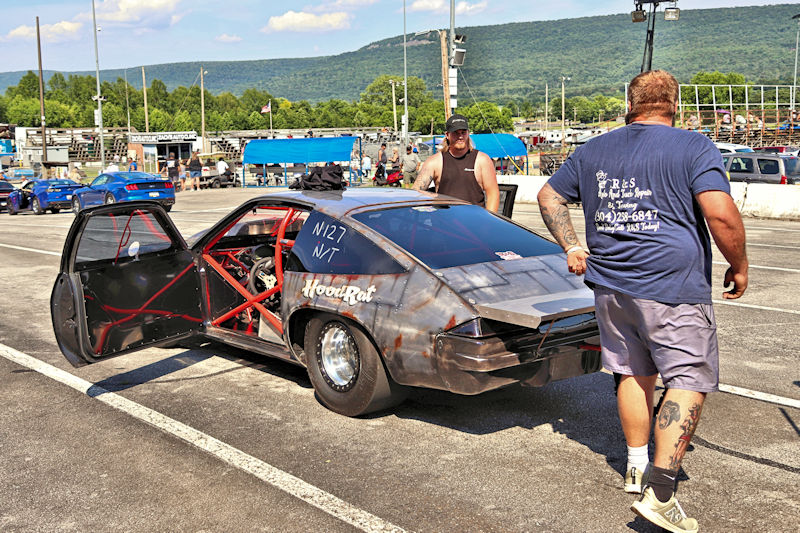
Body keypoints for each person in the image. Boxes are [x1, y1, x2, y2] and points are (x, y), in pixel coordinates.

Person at [536, 70, 748, 533]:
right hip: (672, 287)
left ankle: (636, 466)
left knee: (632, 372)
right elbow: (719, 212)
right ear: (676, 105)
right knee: (688, 377)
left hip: (611, 287)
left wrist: (572, 245)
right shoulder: (693, 146)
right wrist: (739, 264)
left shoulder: (593, 149)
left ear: (629, 105)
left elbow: (548, 196)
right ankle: (663, 493)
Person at [412, 113, 500, 212]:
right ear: (447, 135)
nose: (460, 136)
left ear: (468, 133)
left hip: (475, 220)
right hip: (444, 220)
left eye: (463, 132)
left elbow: (493, 194)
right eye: (455, 133)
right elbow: (415, 194)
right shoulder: (434, 162)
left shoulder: (482, 160)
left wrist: (487, 220)